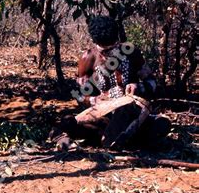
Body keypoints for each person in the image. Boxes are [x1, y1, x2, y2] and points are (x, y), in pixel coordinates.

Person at [55, 16, 171, 150]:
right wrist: (98, 100)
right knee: (68, 122)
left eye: (114, 48)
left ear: (117, 40)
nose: (110, 53)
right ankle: (115, 139)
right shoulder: (88, 58)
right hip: (103, 117)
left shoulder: (131, 52)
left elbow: (152, 82)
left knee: (162, 124)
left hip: (132, 114)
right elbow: (80, 95)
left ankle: (116, 138)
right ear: (96, 44)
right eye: (105, 51)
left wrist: (138, 86)